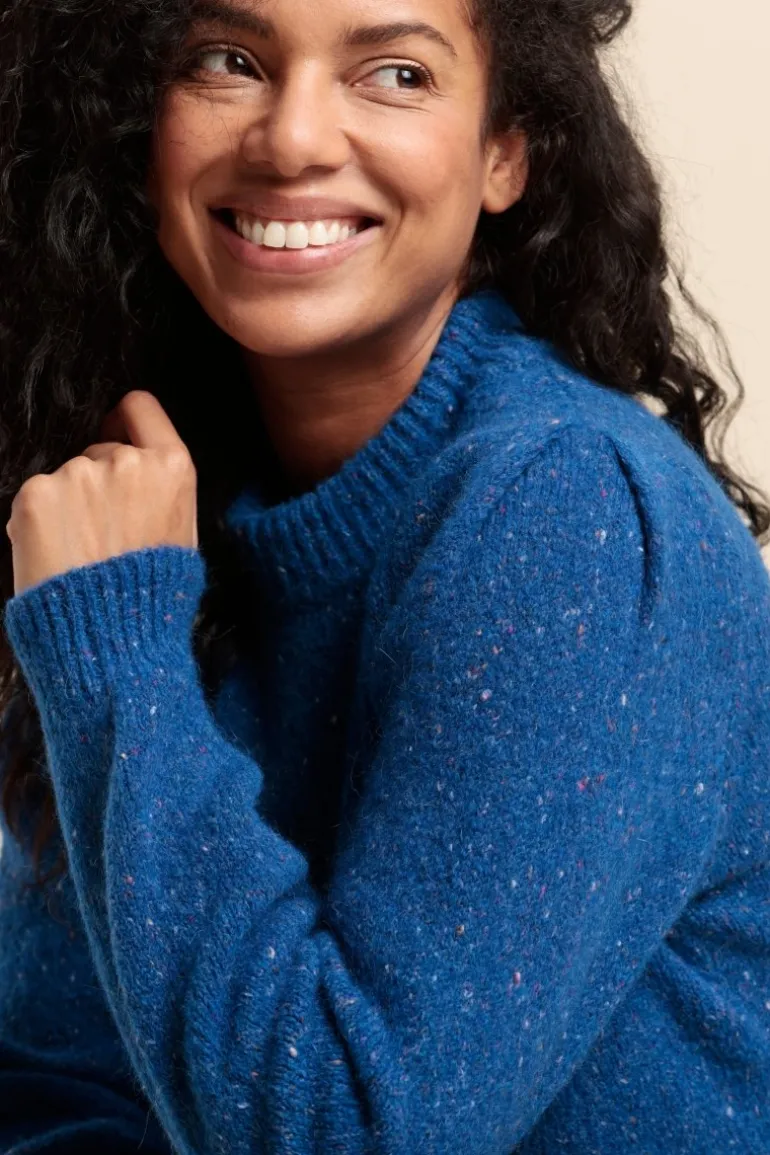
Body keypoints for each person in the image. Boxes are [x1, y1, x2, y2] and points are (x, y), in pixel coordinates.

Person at [0, 0, 768, 1151]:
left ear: (504, 152)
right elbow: (54, 1070)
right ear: (133, 119)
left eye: (396, 74)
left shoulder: (567, 506)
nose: (293, 138)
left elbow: (352, 1131)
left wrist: (115, 652)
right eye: (227, 61)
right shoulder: (153, 501)